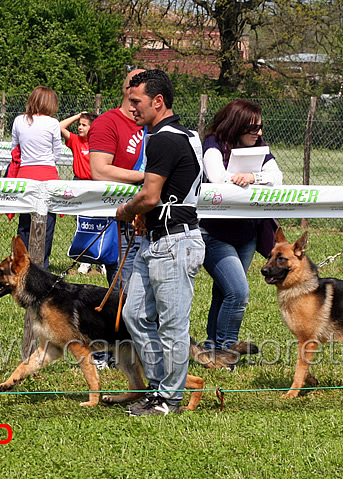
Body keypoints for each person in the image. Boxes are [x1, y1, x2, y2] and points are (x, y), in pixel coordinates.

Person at [114, 69, 205, 416]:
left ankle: (170, 398)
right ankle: (157, 389)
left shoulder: (165, 139)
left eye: (135, 101)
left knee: (172, 325)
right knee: (135, 313)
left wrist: (126, 210)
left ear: (158, 101)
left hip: (174, 243)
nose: (130, 107)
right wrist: (143, 216)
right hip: (156, 240)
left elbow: (150, 195)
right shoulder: (181, 135)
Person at [200, 99, 283, 356]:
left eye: (260, 128)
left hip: (247, 233)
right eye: (252, 128)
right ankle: (227, 352)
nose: (259, 134)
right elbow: (218, 178)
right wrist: (251, 182)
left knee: (223, 292)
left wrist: (253, 178)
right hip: (213, 233)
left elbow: (277, 178)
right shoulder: (213, 144)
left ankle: (212, 348)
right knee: (238, 293)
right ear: (236, 126)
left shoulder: (260, 148)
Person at [89, 68, 146, 290]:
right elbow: (100, 171)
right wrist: (148, 178)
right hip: (122, 222)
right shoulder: (107, 123)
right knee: (125, 295)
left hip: (152, 219)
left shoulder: (154, 123)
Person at [11, 86, 62, 270]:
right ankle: (41, 265)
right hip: (48, 174)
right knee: (47, 223)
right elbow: (57, 153)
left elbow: (15, 147)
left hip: (25, 174)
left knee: (25, 222)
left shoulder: (19, 120)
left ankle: (20, 262)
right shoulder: (53, 123)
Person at [60, 111, 104, 275]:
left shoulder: (98, 143)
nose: (79, 127)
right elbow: (59, 127)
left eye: (84, 125)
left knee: (98, 222)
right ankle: (84, 260)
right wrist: (78, 116)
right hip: (79, 184)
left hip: (96, 184)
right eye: (79, 124)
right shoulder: (75, 141)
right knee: (82, 223)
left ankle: (100, 259)